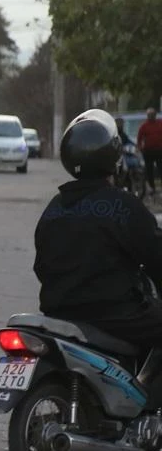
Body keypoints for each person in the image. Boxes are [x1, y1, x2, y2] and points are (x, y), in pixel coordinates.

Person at [35, 109, 162, 354]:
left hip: (57, 312)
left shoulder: (55, 207)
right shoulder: (123, 205)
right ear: (112, 156)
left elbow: (42, 265)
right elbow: (155, 255)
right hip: (116, 315)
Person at [136, 107, 162, 195]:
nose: (151, 116)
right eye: (149, 115)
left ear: (155, 115)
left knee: (160, 168)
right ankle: (152, 187)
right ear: (147, 116)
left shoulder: (160, 123)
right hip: (148, 151)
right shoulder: (144, 126)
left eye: (153, 115)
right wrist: (139, 147)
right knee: (149, 170)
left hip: (159, 150)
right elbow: (139, 138)